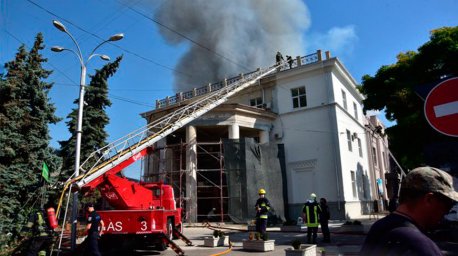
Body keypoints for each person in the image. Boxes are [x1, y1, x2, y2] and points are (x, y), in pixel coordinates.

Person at [360, 166, 458, 256]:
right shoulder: (420, 246)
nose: (447, 211)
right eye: (448, 204)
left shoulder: (379, 227)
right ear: (429, 199)